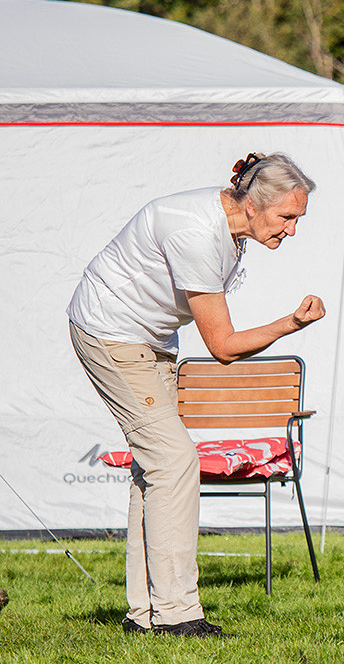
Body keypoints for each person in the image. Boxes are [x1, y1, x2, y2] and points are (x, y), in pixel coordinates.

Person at [67, 153, 324, 638]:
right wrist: (291, 323)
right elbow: (223, 347)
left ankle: (144, 614)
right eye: (287, 217)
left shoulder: (232, 228)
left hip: (153, 340)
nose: (292, 230)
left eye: (298, 219)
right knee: (175, 460)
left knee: (156, 468)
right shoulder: (196, 231)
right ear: (252, 204)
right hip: (110, 332)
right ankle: (177, 615)